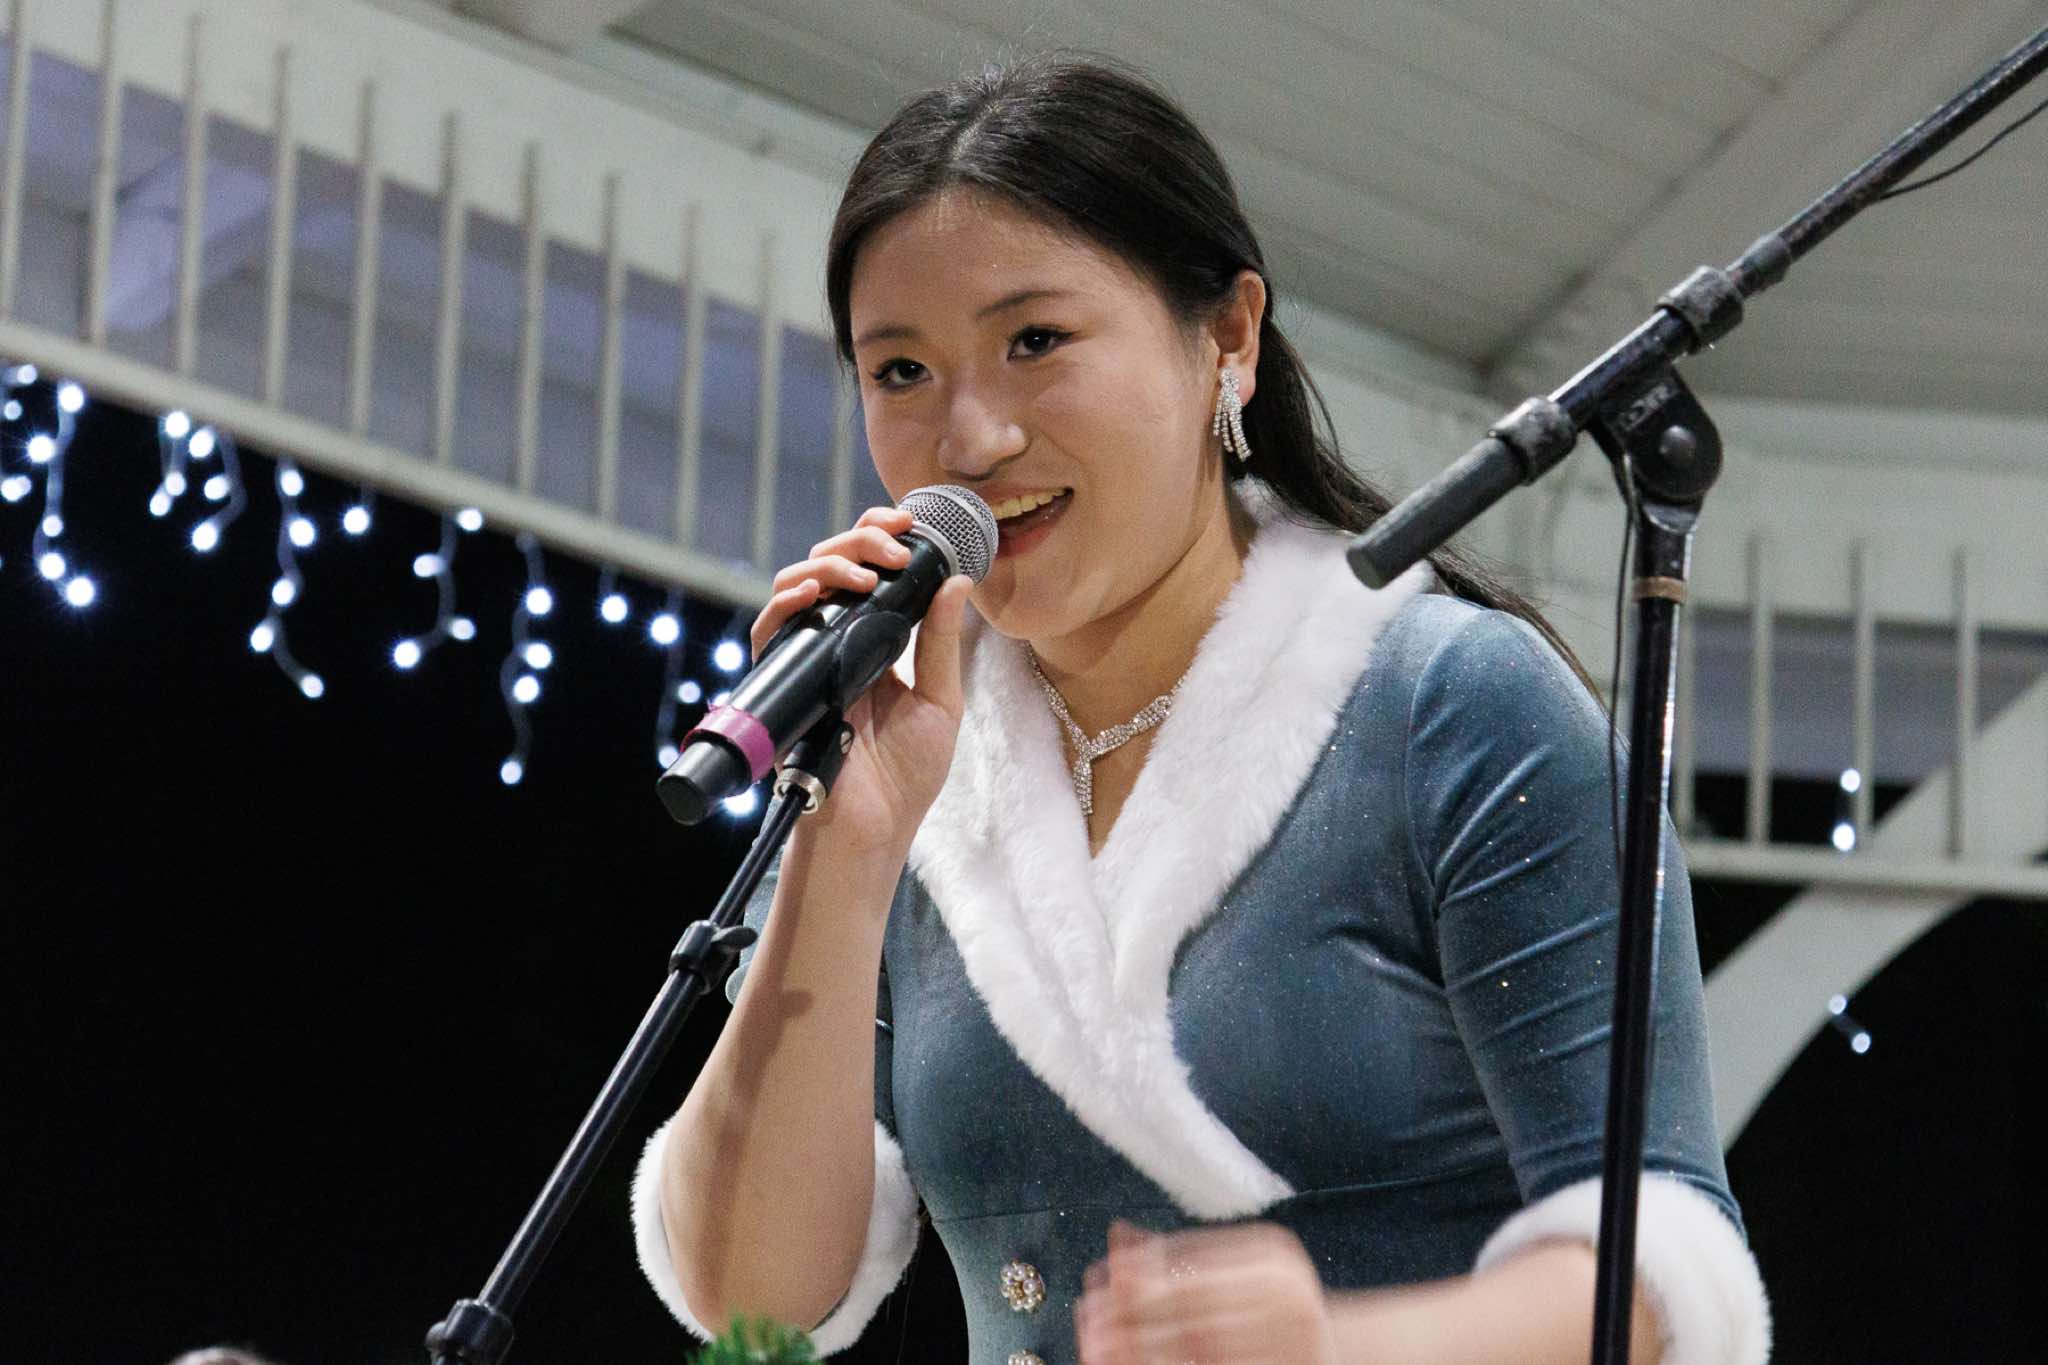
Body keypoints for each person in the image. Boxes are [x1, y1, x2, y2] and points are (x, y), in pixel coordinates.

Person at [632, 52, 1769, 1365]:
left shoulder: (1453, 705)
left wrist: (1341, 1346)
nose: (972, 437)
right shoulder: (912, 765)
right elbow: (753, 1301)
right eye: (901, 372)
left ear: (1228, 336)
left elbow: (1665, 1275)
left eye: (1035, 342)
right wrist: (844, 848)